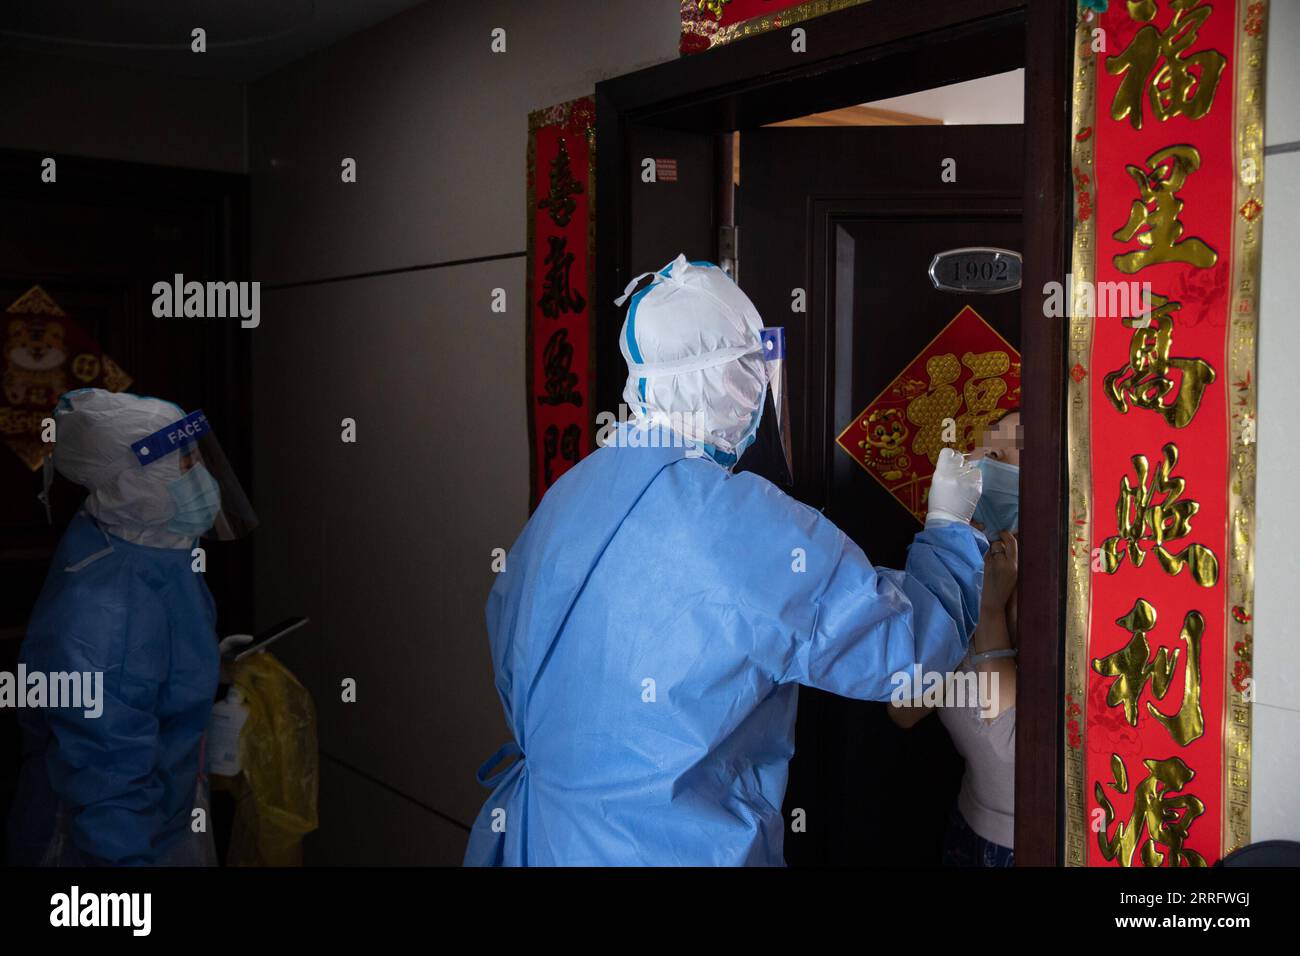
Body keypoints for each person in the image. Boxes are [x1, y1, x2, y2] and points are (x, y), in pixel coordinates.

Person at [464, 254, 988, 866]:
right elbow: (908, 657)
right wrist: (952, 530)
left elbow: (510, 649)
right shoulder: (738, 523)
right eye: (755, 363)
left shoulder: (570, 495)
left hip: (544, 842)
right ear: (731, 379)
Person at [7, 388, 257, 866]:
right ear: (131, 484)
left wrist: (207, 663)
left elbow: (141, 673)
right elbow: (107, 789)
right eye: (182, 466)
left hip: (164, 813)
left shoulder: (140, 549)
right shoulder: (105, 616)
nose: (200, 477)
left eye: (196, 459)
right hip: (113, 845)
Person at [887, 408, 1022, 866]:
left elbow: (1009, 749)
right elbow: (904, 708)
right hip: (968, 824)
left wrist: (989, 609)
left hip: (1030, 839)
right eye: (985, 450)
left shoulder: (1059, 585)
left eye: (1006, 456)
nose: (986, 464)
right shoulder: (951, 570)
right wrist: (959, 579)